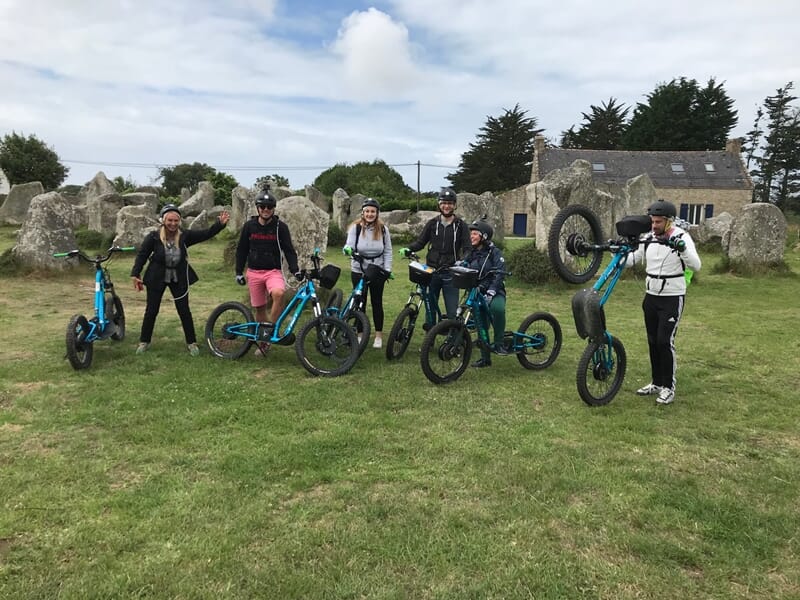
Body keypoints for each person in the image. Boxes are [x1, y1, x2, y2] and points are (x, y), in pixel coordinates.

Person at [626, 199, 702, 405]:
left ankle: (668, 387)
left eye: (658, 222)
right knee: (652, 340)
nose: (654, 225)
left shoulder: (682, 237)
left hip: (672, 297)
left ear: (669, 221)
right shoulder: (649, 238)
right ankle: (657, 383)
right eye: (652, 221)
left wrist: (682, 249)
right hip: (650, 296)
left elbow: (696, 266)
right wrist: (618, 253)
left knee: (664, 341)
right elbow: (633, 259)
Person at [131, 204, 229, 356]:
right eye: (170, 220)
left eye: (176, 220)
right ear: (163, 220)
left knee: (184, 310)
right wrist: (135, 273)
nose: (173, 224)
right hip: (157, 276)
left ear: (179, 221)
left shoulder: (185, 236)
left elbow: (205, 234)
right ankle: (144, 342)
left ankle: (192, 343)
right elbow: (142, 255)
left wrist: (220, 224)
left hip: (179, 276)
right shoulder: (154, 237)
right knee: (151, 310)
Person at [234, 190, 300, 355]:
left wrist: (295, 270)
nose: (265, 209)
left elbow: (289, 250)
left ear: (273, 209)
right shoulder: (249, 226)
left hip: (273, 271)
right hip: (254, 272)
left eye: (269, 207)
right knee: (260, 309)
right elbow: (242, 249)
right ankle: (263, 342)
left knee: (279, 293)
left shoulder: (280, 228)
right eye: (262, 206)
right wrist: (238, 272)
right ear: (257, 208)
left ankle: (269, 333)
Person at [399, 188, 470, 319]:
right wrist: (408, 249)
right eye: (444, 203)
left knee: (452, 311)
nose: (446, 206)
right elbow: (420, 242)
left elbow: (467, 248)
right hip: (432, 271)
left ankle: (452, 331)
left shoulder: (461, 225)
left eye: (450, 203)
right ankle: (430, 331)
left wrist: (464, 260)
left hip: (451, 272)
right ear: (439, 204)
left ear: (454, 205)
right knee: (430, 309)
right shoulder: (432, 223)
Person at [342, 198, 393, 349]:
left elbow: (388, 251)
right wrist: (347, 250)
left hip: (377, 269)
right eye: (367, 211)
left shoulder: (383, 229)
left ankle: (378, 335)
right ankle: (360, 334)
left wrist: (387, 269)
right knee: (360, 302)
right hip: (359, 269)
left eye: (373, 211)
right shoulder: (356, 228)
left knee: (377, 302)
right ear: (363, 213)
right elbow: (349, 246)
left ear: (377, 213)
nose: (370, 214)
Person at [461, 219, 507, 368]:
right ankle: (485, 358)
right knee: (480, 321)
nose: (471, 236)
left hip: (495, 291)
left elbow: (500, 272)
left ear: (484, 236)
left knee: (497, 309)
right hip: (477, 291)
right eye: (471, 234)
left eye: (475, 234)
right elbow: (463, 263)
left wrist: (492, 291)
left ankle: (499, 343)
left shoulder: (494, 252)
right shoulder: (471, 252)